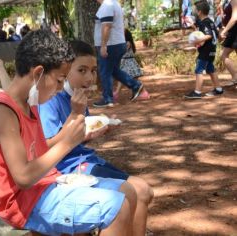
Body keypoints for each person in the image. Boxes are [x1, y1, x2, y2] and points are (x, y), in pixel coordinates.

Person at [0, 29, 134, 235]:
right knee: (116, 207)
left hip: (45, 186)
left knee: (128, 191)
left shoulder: (28, 102)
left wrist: (74, 121)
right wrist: (67, 143)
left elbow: (42, 146)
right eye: (60, 80)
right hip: (23, 202)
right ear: (38, 73)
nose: (61, 88)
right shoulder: (2, 112)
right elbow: (23, 177)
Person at [38, 40, 154, 236]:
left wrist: (100, 128)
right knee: (138, 192)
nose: (90, 77)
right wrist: (80, 131)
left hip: (86, 159)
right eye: (81, 70)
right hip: (69, 167)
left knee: (144, 191)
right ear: (65, 69)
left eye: (93, 70)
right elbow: (47, 146)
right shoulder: (51, 100)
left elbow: (83, 132)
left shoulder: (77, 96)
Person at [94, 0, 144, 108]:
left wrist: (103, 46)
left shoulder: (107, 5)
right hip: (116, 43)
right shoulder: (113, 3)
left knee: (105, 71)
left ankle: (107, 98)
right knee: (114, 71)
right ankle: (135, 85)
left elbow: (106, 26)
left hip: (111, 44)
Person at [185, 0, 223, 99]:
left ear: (199, 12)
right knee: (210, 69)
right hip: (212, 49)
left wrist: (197, 40)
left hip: (205, 50)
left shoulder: (204, 23)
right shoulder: (210, 21)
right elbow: (216, 34)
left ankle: (197, 92)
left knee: (199, 69)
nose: (193, 12)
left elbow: (209, 35)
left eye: (194, 10)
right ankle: (218, 89)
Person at [114, 29, 150, 102]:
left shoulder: (127, 43)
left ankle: (116, 94)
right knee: (128, 79)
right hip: (125, 62)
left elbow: (122, 51)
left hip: (129, 62)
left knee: (126, 78)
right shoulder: (125, 43)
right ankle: (142, 93)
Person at [220, 0, 237, 85]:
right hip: (233, 31)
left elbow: (235, 18)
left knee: (223, 54)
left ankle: (235, 77)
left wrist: (224, 31)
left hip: (235, 31)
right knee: (224, 54)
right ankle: (235, 77)